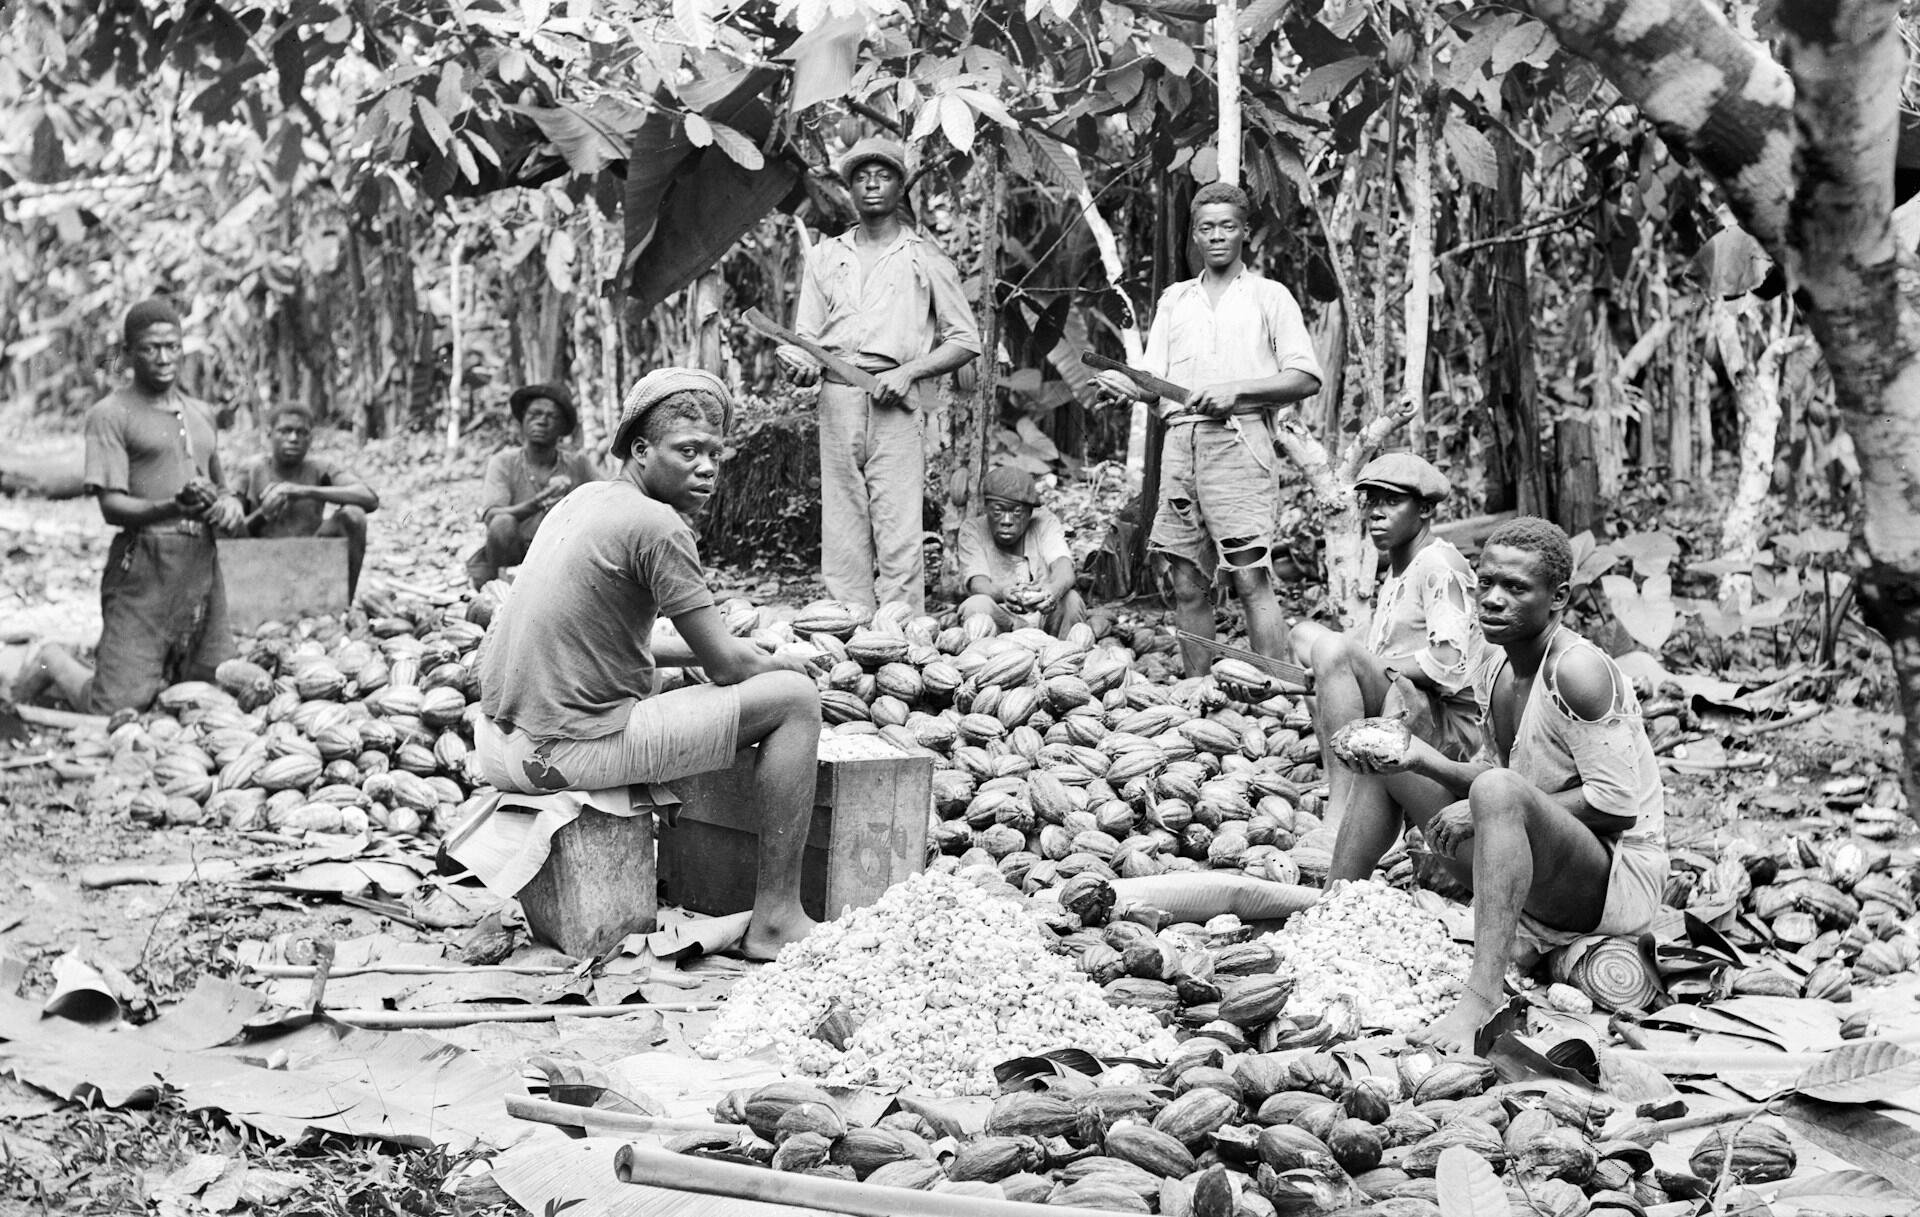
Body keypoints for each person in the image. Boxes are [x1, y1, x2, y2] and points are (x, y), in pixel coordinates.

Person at [471, 368, 821, 961]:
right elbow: (726, 667)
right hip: (562, 754)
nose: (707, 467)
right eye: (688, 451)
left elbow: (596, 635)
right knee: (795, 702)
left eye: (714, 452)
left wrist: (726, 652)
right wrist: (784, 661)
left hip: (501, 744)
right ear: (641, 450)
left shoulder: (586, 500)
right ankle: (777, 920)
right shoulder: (659, 526)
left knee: (680, 678)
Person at [1328, 517, 1670, 1052]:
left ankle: (1482, 1000)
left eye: (1515, 588)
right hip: (1531, 854)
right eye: (1485, 583)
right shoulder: (1493, 660)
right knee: (1390, 758)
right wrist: (1423, 759)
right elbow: (1498, 777)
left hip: (1612, 879)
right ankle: (1331, 917)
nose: (1491, 600)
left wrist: (1479, 806)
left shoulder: (1578, 672)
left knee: (1494, 795)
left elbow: (1616, 807)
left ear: (1558, 599)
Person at [1091, 181, 1324, 677]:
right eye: (1206, 227)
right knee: (1185, 580)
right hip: (1179, 446)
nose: (1216, 236)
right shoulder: (1176, 300)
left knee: (1248, 577)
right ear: (1194, 235)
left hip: (1238, 444)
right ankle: (1199, 692)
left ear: (1244, 232)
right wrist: (1127, 386)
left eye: (1227, 226)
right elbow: (1157, 385)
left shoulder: (1269, 295)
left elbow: (1305, 377)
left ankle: (1276, 692)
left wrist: (1236, 391)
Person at [776, 136, 981, 613]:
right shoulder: (826, 257)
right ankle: (846, 629)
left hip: (895, 402)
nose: (872, 184)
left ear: (900, 186)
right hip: (838, 398)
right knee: (843, 522)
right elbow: (805, 339)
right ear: (848, 188)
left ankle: (900, 635)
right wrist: (803, 368)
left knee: (898, 522)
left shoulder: (924, 258)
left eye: (883, 175)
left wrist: (910, 372)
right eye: (861, 176)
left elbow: (965, 339)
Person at [10, 299, 244, 714]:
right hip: (144, 563)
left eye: (172, 346)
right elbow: (111, 507)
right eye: (151, 348)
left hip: (202, 566)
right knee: (114, 706)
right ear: (130, 352)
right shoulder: (110, 414)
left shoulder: (200, 412)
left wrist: (228, 507)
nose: (164, 358)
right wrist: (173, 506)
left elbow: (224, 489)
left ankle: (161, 666)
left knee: (217, 687)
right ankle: (54, 659)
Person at [1286, 453, 1481, 835]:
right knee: (1303, 635)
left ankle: (1343, 809)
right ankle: (1341, 770)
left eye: (1392, 501)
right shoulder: (1398, 567)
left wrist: (1355, 666)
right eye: (1372, 501)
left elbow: (1448, 662)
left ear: (1424, 509)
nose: (1376, 513)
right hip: (1405, 699)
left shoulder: (1439, 564)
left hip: (1445, 726)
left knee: (1334, 651)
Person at [233, 406, 380, 599]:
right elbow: (230, 530)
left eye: (302, 433)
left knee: (354, 516)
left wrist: (304, 491)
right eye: (285, 431)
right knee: (217, 519)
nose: (294, 438)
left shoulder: (320, 469)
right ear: (269, 434)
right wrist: (263, 514)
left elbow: (369, 498)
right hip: (259, 566)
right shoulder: (252, 470)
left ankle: (344, 606)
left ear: (310, 439)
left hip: (308, 561)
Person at [466, 384, 601, 589]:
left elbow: (610, 497)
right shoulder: (504, 462)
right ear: (523, 420)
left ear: (562, 428)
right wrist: (536, 503)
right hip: (515, 552)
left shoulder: (578, 464)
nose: (542, 421)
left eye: (551, 416)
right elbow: (492, 515)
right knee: (502, 523)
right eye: (535, 414)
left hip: (561, 552)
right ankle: (505, 588)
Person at [954, 466, 1089, 636]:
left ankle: (1065, 656)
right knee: (975, 605)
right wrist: (1003, 594)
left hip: (1044, 616)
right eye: (998, 511)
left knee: (1071, 600)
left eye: (1016, 512)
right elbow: (978, 584)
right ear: (986, 507)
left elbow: (1064, 568)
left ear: (1030, 512)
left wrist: (1052, 591)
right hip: (1002, 619)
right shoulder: (972, 529)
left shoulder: (1044, 522)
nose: (1007, 521)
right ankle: (984, 659)